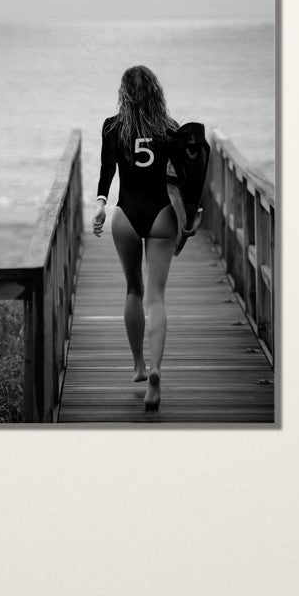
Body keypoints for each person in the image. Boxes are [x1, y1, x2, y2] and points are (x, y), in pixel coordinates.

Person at [92, 64, 195, 413]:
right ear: (156, 91)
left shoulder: (112, 127)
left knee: (132, 291)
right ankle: (156, 370)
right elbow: (184, 180)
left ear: (124, 92)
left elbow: (107, 168)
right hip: (162, 215)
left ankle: (137, 366)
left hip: (125, 214)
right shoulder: (170, 129)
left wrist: (101, 204)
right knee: (156, 298)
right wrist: (191, 219)